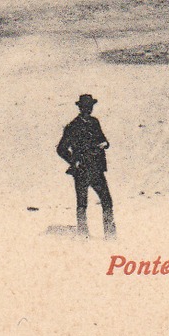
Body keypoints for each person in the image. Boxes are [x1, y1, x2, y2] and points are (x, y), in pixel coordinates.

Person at [57, 93, 115, 238]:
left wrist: (105, 144)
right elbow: (61, 149)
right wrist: (73, 161)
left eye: (90, 107)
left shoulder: (95, 122)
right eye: (85, 107)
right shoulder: (73, 126)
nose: (88, 110)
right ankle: (83, 235)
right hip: (81, 169)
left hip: (96, 169)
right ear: (80, 108)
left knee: (107, 201)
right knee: (82, 204)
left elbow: (103, 139)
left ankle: (111, 236)